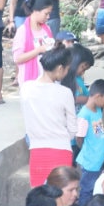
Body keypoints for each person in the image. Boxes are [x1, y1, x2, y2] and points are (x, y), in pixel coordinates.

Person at [21, 46, 77, 185]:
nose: (66, 72)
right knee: (61, 194)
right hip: (61, 150)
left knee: (39, 194)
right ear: (60, 68)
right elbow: (72, 129)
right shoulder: (65, 92)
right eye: (67, 69)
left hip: (37, 151)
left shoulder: (26, 88)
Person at [76, 78, 104, 206]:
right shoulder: (84, 115)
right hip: (90, 162)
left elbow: (98, 132)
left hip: (97, 158)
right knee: (86, 191)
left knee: (93, 190)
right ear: (98, 96)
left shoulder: (97, 110)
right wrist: (88, 150)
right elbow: (79, 138)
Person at [13, 0, 56, 84]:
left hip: (46, 77)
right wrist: (38, 50)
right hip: (29, 79)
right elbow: (17, 58)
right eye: (46, 14)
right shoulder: (22, 31)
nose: (48, 17)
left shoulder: (47, 29)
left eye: (49, 14)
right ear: (36, 11)